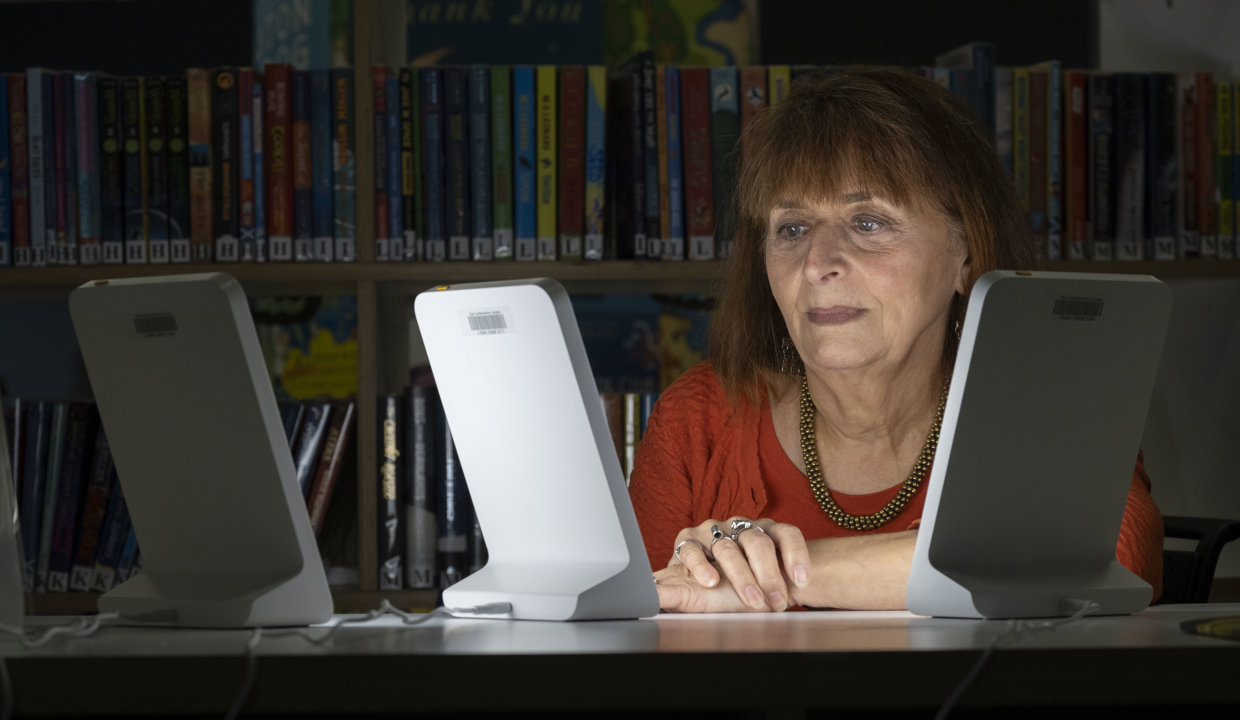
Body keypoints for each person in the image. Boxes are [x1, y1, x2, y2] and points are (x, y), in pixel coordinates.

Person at [627, 66, 1164, 613]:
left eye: (868, 223)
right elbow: (635, 624)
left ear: (967, 255)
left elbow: (1106, 560)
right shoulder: (701, 418)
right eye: (792, 228)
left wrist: (777, 575)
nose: (818, 263)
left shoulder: (1053, 406)